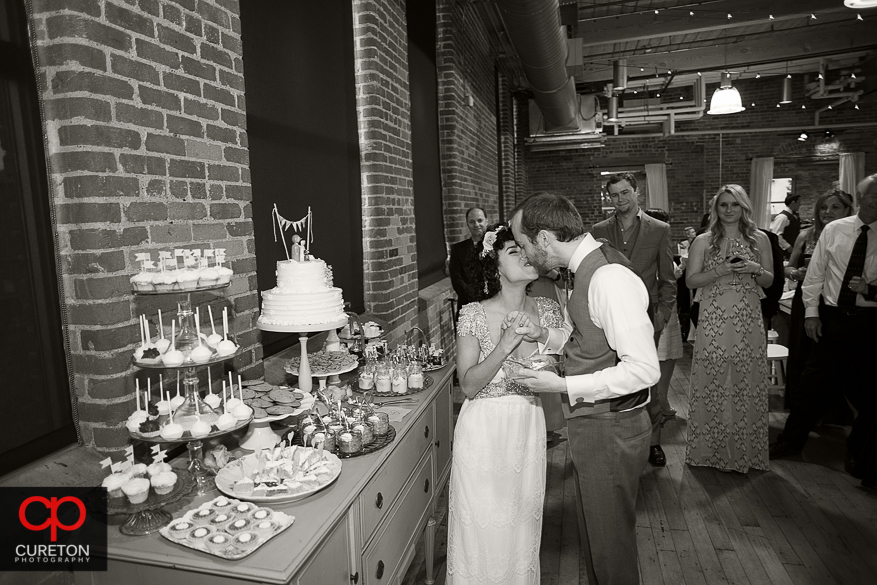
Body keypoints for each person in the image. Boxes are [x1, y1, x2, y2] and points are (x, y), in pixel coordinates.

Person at [510, 193, 659, 585]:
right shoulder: (588, 266)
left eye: (524, 245)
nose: (525, 256)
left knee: (610, 551)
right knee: (597, 537)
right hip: (596, 425)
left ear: (544, 238)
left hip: (612, 427)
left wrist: (561, 384)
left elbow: (644, 369)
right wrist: (545, 334)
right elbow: (590, 340)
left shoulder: (608, 278)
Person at [447, 222, 568, 585]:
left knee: (521, 524)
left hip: (526, 426)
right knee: (481, 529)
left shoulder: (546, 309)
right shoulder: (472, 313)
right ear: (495, 266)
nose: (525, 256)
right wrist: (504, 345)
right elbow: (468, 385)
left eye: (525, 249)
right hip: (482, 431)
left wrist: (543, 357)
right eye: (513, 251)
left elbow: (558, 368)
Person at [770, 176, 877, 490]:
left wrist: (870, 290)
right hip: (832, 319)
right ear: (861, 197)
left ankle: (859, 451)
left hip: (870, 322)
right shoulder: (835, 231)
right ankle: (791, 440)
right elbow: (814, 277)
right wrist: (813, 315)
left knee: (870, 393)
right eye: (872, 194)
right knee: (811, 385)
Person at [685, 184, 774, 473]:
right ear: (715, 209)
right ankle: (710, 452)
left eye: (734, 204)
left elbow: (769, 281)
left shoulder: (760, 239)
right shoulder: (703, 241)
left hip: (748, 316)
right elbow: (691, 281)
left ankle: (744, 453)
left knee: (746, 382)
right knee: (712, 380)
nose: (728, 210)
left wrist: (753, 268)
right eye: (723, 204)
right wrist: (718, 271)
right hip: (713, 316)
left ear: (744, 207)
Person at [592, 173, 676, 467]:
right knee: (611, 381)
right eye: (614, 195)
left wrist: (662, 316)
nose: (620, 200)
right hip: (608, 320)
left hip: (645, 320)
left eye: (625, 193)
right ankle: (613, 441)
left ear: (637, 192)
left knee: (647, 382)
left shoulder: (660, 229)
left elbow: (668, 279)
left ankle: (653, 442)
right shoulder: (599, 230)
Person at [782, 190, 854, 409]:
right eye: (823, 207)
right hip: (806, 300)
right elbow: (789, 268)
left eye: (835, 207)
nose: (827, 212)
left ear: (847, 210)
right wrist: (796, 274)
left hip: (838, 302)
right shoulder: (807, 235)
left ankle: (832, 410)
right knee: (802, 354)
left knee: (832, 358)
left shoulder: (857, 236)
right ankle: (802, 408)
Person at [643, 208, 683, 424]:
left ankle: (662, 400)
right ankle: (656, 403)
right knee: (659, 356)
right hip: (657, 308)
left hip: (668, 307)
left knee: (667, 356)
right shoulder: (649, 245)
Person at [449, 207, 488, 320]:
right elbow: (457, 279)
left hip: (496, 305)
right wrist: (475, 298)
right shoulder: (458, 249)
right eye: (472, 221)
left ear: (487, 221)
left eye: (480, 220)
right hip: (468, 307)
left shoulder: (497, 246)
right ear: (467, 224)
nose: (476, 224)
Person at [769, 193, 801, 259]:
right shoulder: (782, 217)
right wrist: (788, 247)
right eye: (799, 202)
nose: (800, 204)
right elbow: (776, 235)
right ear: (793, 202)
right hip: (785, 252)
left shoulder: (793, 215)